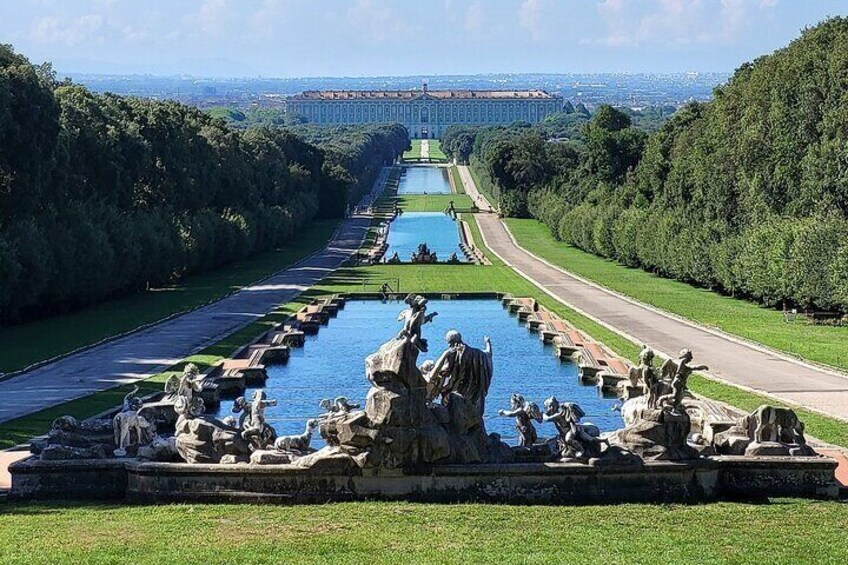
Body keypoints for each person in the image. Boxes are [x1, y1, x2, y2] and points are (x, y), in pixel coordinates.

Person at [431, 330, 493, 416]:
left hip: (458, 393)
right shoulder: (478, 354)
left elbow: (444, 372)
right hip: (475, 394)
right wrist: (488, 343)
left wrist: (439, 388)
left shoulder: (452, 353)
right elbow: (488, 354)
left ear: (450, 342)